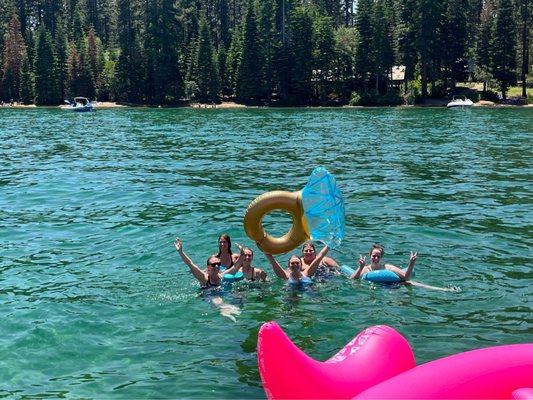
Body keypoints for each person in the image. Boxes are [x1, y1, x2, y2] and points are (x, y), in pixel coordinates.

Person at [174, 237, 241, 289]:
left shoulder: (222, 276)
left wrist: (242, 251)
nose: (217, 266)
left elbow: (236, 267)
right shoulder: (203, 278)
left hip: (221, 291)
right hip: (208, 294)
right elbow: (190, 264)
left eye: (218, 264)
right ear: (208, 267)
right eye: (213, 265)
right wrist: (180, 252)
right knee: (220, 303)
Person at [262, 245, 330, 284]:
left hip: (309, 291)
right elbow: (272, 261)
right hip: (291, 293)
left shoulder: (307, 273)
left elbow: (319, 256)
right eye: (292, 263)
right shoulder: (285, 276)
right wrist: (261, 244)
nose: (295, 265)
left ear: (301, 265)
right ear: (289, 266)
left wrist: (329, 244)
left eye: (297, 263)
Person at [350, 244, 417, 281]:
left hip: (390, 287)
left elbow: (406, 277)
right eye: (374, 256)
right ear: (370, 256)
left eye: (378, 256)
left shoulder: (388, 268)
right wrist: (360, 267)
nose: (376, 258)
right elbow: (351, 279)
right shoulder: (365, 269)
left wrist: (411, 263)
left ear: (381, 258)